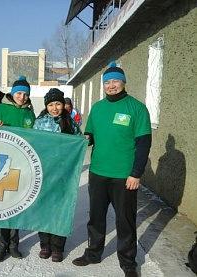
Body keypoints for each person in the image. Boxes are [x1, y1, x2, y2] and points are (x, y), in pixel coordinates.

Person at [71, 62, 152, 277]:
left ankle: (128, 263)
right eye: (107, 82)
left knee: (125, 222)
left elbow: (144, 144)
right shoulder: (97, 108)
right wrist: (74, 142)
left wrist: (136, 174)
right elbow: (90, 137)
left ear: (123, 82)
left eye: (115, 80)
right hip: (98, 173)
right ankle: (93, 253)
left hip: (124, 177)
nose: (111, 85)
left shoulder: (136, 108)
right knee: (96, 217)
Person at [0, 76, 36, 262]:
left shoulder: (29, 113)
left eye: (25, 94)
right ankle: (0, 246)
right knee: (1, 207)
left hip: (20, 165)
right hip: (0, 165)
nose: (22, 97)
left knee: (16, 206)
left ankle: (14, 245)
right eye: (19, 93)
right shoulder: (0, 109)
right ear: (12, 93)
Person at [33, 88, 82, 262]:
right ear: (46, 106)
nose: (55, 108)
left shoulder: (71, 123)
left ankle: (57, 247)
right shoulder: (39, 123)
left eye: (58, 104)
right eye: (51, 104)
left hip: (64, 175)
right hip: (45, 173)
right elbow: (33, 145)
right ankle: (45, 245)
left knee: (60, 210)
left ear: (63, 105)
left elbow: (78, 145)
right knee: (44, 210)